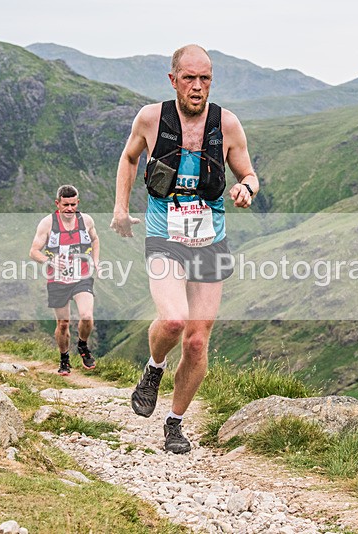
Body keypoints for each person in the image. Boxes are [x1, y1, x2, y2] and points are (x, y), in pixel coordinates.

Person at [110, 44, 259, 454]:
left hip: (209, 240)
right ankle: (154, 367)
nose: (197, 86)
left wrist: (246, 188)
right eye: (189, 78)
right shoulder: (151, 119)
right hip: (165, 235)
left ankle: (174, 422)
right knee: (174, 321)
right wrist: (120, 208)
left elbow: (248, 173)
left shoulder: (227, 125)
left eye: (205, 78)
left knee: (196, 342)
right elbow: (129, 159)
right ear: (173, 79)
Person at [30, 185, 100, 375]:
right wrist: (50, 261)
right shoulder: (47, 224)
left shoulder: (86, 220)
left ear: (78, 202)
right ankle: (64, 358)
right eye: (65, 205)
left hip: (82, 276)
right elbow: (34, 251)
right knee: (63, 324)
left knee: (86, 316)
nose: (69, 209)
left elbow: (95, 239)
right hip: (57, 280)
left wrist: (95, 261)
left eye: (73, 205)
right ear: (57, 204)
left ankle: (83, 346)